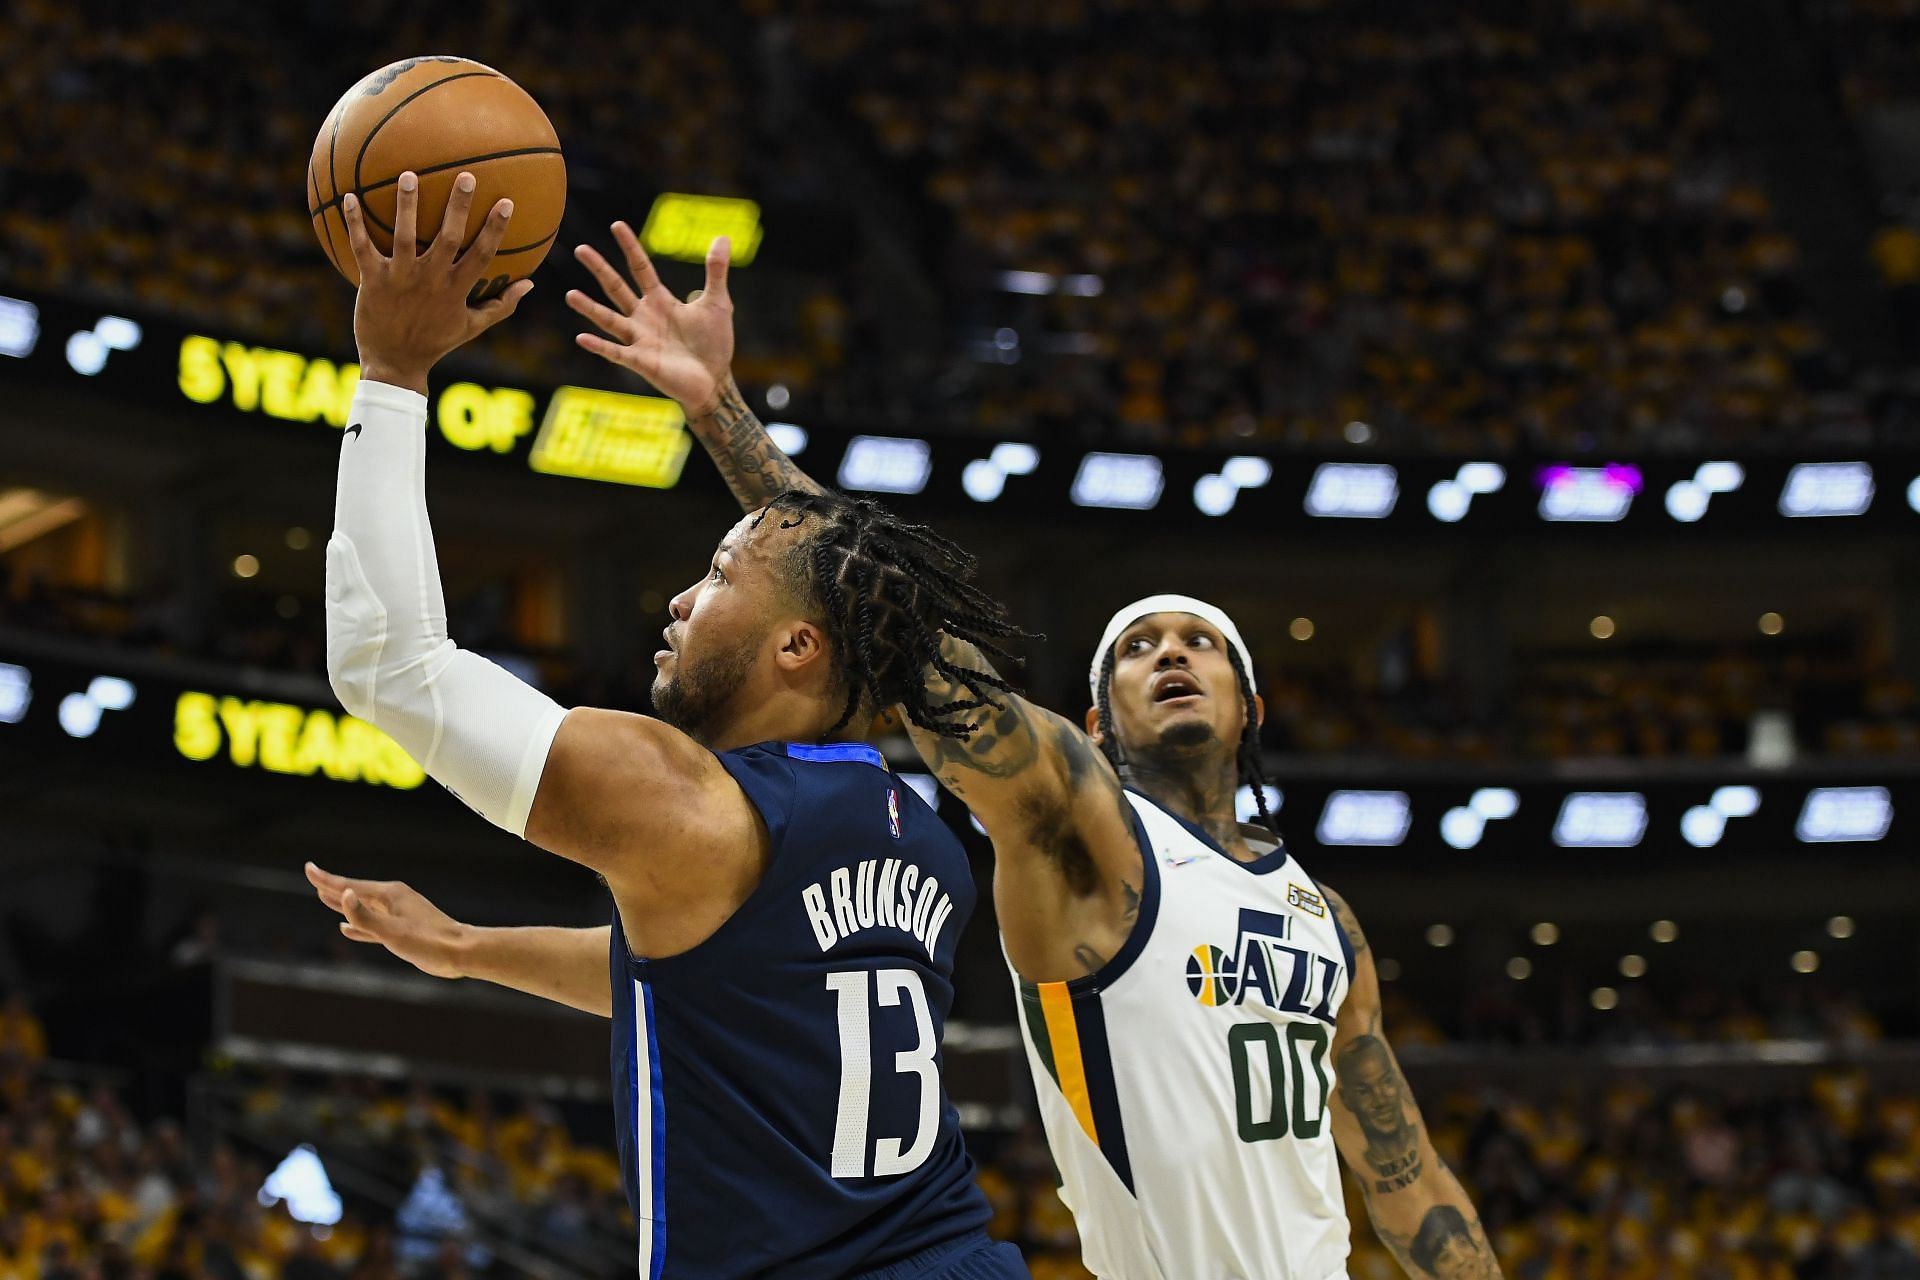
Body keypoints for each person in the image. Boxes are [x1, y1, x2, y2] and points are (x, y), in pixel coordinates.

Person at [567, 225, 1504, 1279]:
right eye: (1137, 648)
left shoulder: (1328, 921)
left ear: (1253, 701)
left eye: (1202, 642)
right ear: (1095, 724)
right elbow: (904, 629)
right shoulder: (1086, 834)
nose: (1172, 655)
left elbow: (1404, 1171)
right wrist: (721, 411)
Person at [309, 172, 1028, 1280]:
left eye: (720, 571)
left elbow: (388, 662)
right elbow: (702, 982)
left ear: (798, 648)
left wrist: (394, 372)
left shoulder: (683, 800)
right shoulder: (926, 836)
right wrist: (461, 949)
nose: (682, 601)